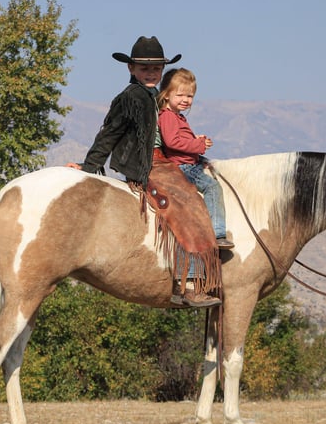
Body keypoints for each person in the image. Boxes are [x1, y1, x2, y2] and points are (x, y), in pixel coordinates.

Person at [67, 36, 221, 308]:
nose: (150, 73)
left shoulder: (157, 98)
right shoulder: (129, 98)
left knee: (194, 189)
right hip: (146, 164)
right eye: (144, 68)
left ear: (162, 71)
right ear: (131, 69)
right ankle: (187, 282)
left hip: (162, 161)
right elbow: (109, 134)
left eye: (156, 69)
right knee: (185, 202)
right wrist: (88, 167)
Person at [157, 68, 234, 250]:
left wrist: (196, 143)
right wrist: (197, 146)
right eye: (180, 95)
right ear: (166, 94)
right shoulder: (168, 116)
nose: (186, 100)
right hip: (183, 167)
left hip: (189, 162)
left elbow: (180, 140)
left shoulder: (177, 116)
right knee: (212, 187)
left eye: (190, 96)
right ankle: (218, 232)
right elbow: (172, 142)